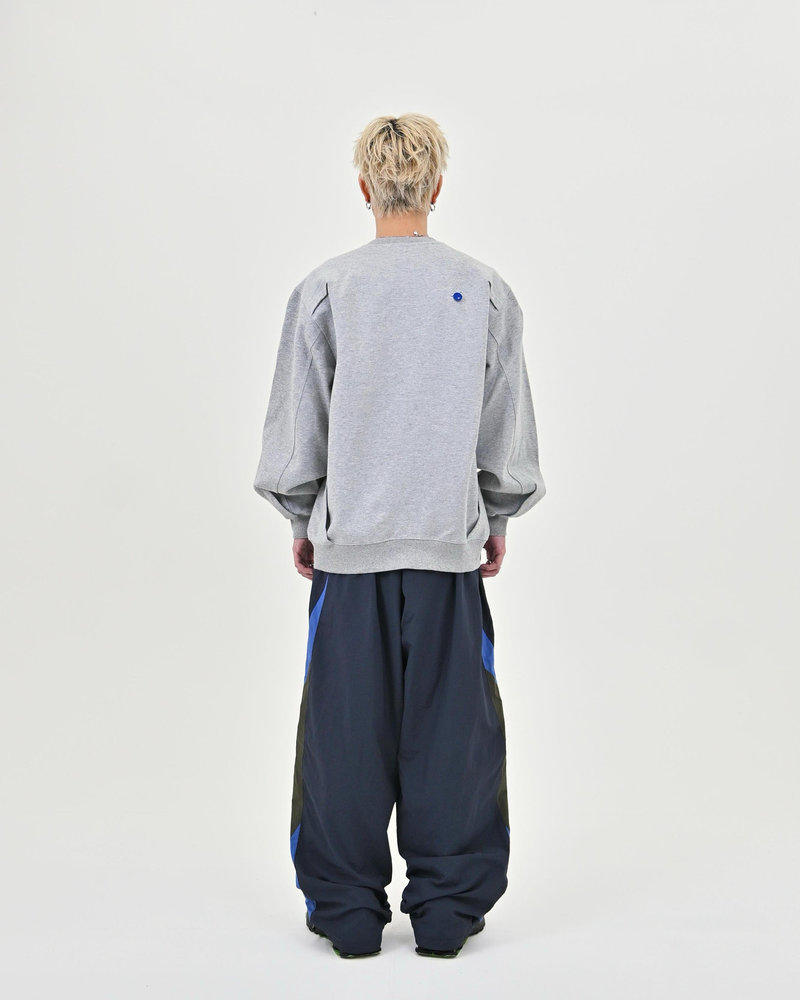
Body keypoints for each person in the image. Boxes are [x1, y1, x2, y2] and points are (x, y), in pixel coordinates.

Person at [252, 113, 546, 959]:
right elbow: (505, 428)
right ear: (438, 185)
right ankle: (447, 913)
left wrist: (305, 519)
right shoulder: (483, 290)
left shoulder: (326, 289)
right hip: (447, 555)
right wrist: (495, 514)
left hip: (350, 560)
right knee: (455, 736)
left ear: (364, 187)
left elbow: (297, 431)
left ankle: (347, 914)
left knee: (343, 734)